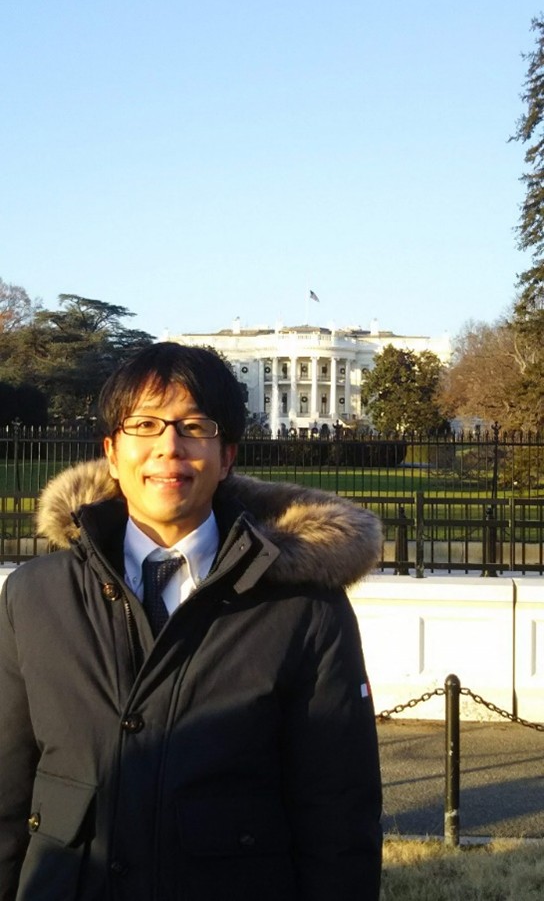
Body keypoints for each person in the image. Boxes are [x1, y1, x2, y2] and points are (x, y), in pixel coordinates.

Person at [0, 342, 382, 901]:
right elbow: (8, 792)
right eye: (145, 425)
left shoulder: (305, 610)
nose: (168, 447)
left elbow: (338, 816)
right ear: (111, 453)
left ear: (227, 458)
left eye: (194, 427)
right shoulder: (34, 595)